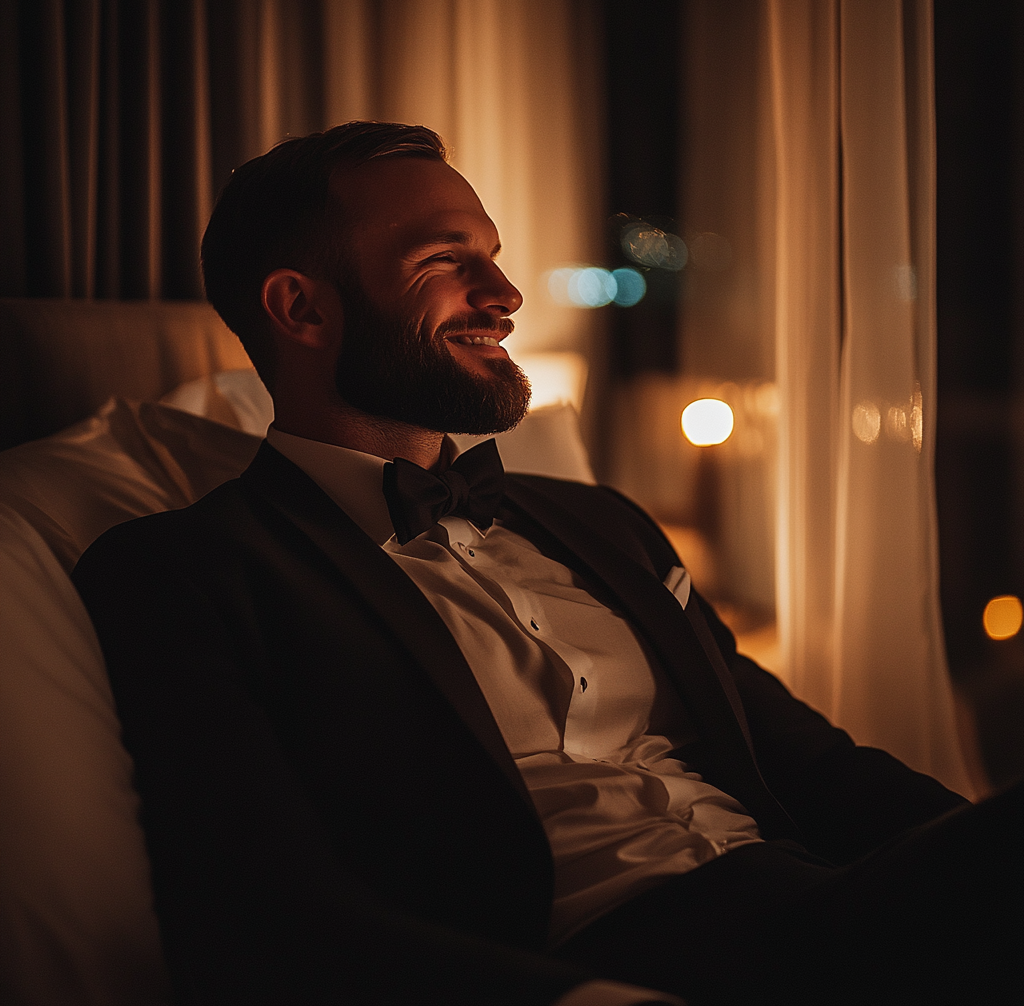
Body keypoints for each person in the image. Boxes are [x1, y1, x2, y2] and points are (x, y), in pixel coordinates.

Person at [71, 122, 1021, 1006]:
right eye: (448, 262)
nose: (507, 295)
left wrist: (967, 860)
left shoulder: (601, 522)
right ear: (301, 308)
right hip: (611, 958)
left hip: (825, 904)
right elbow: (266, 905)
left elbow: (813, 762)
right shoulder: (182, 572)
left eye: (493, 255)